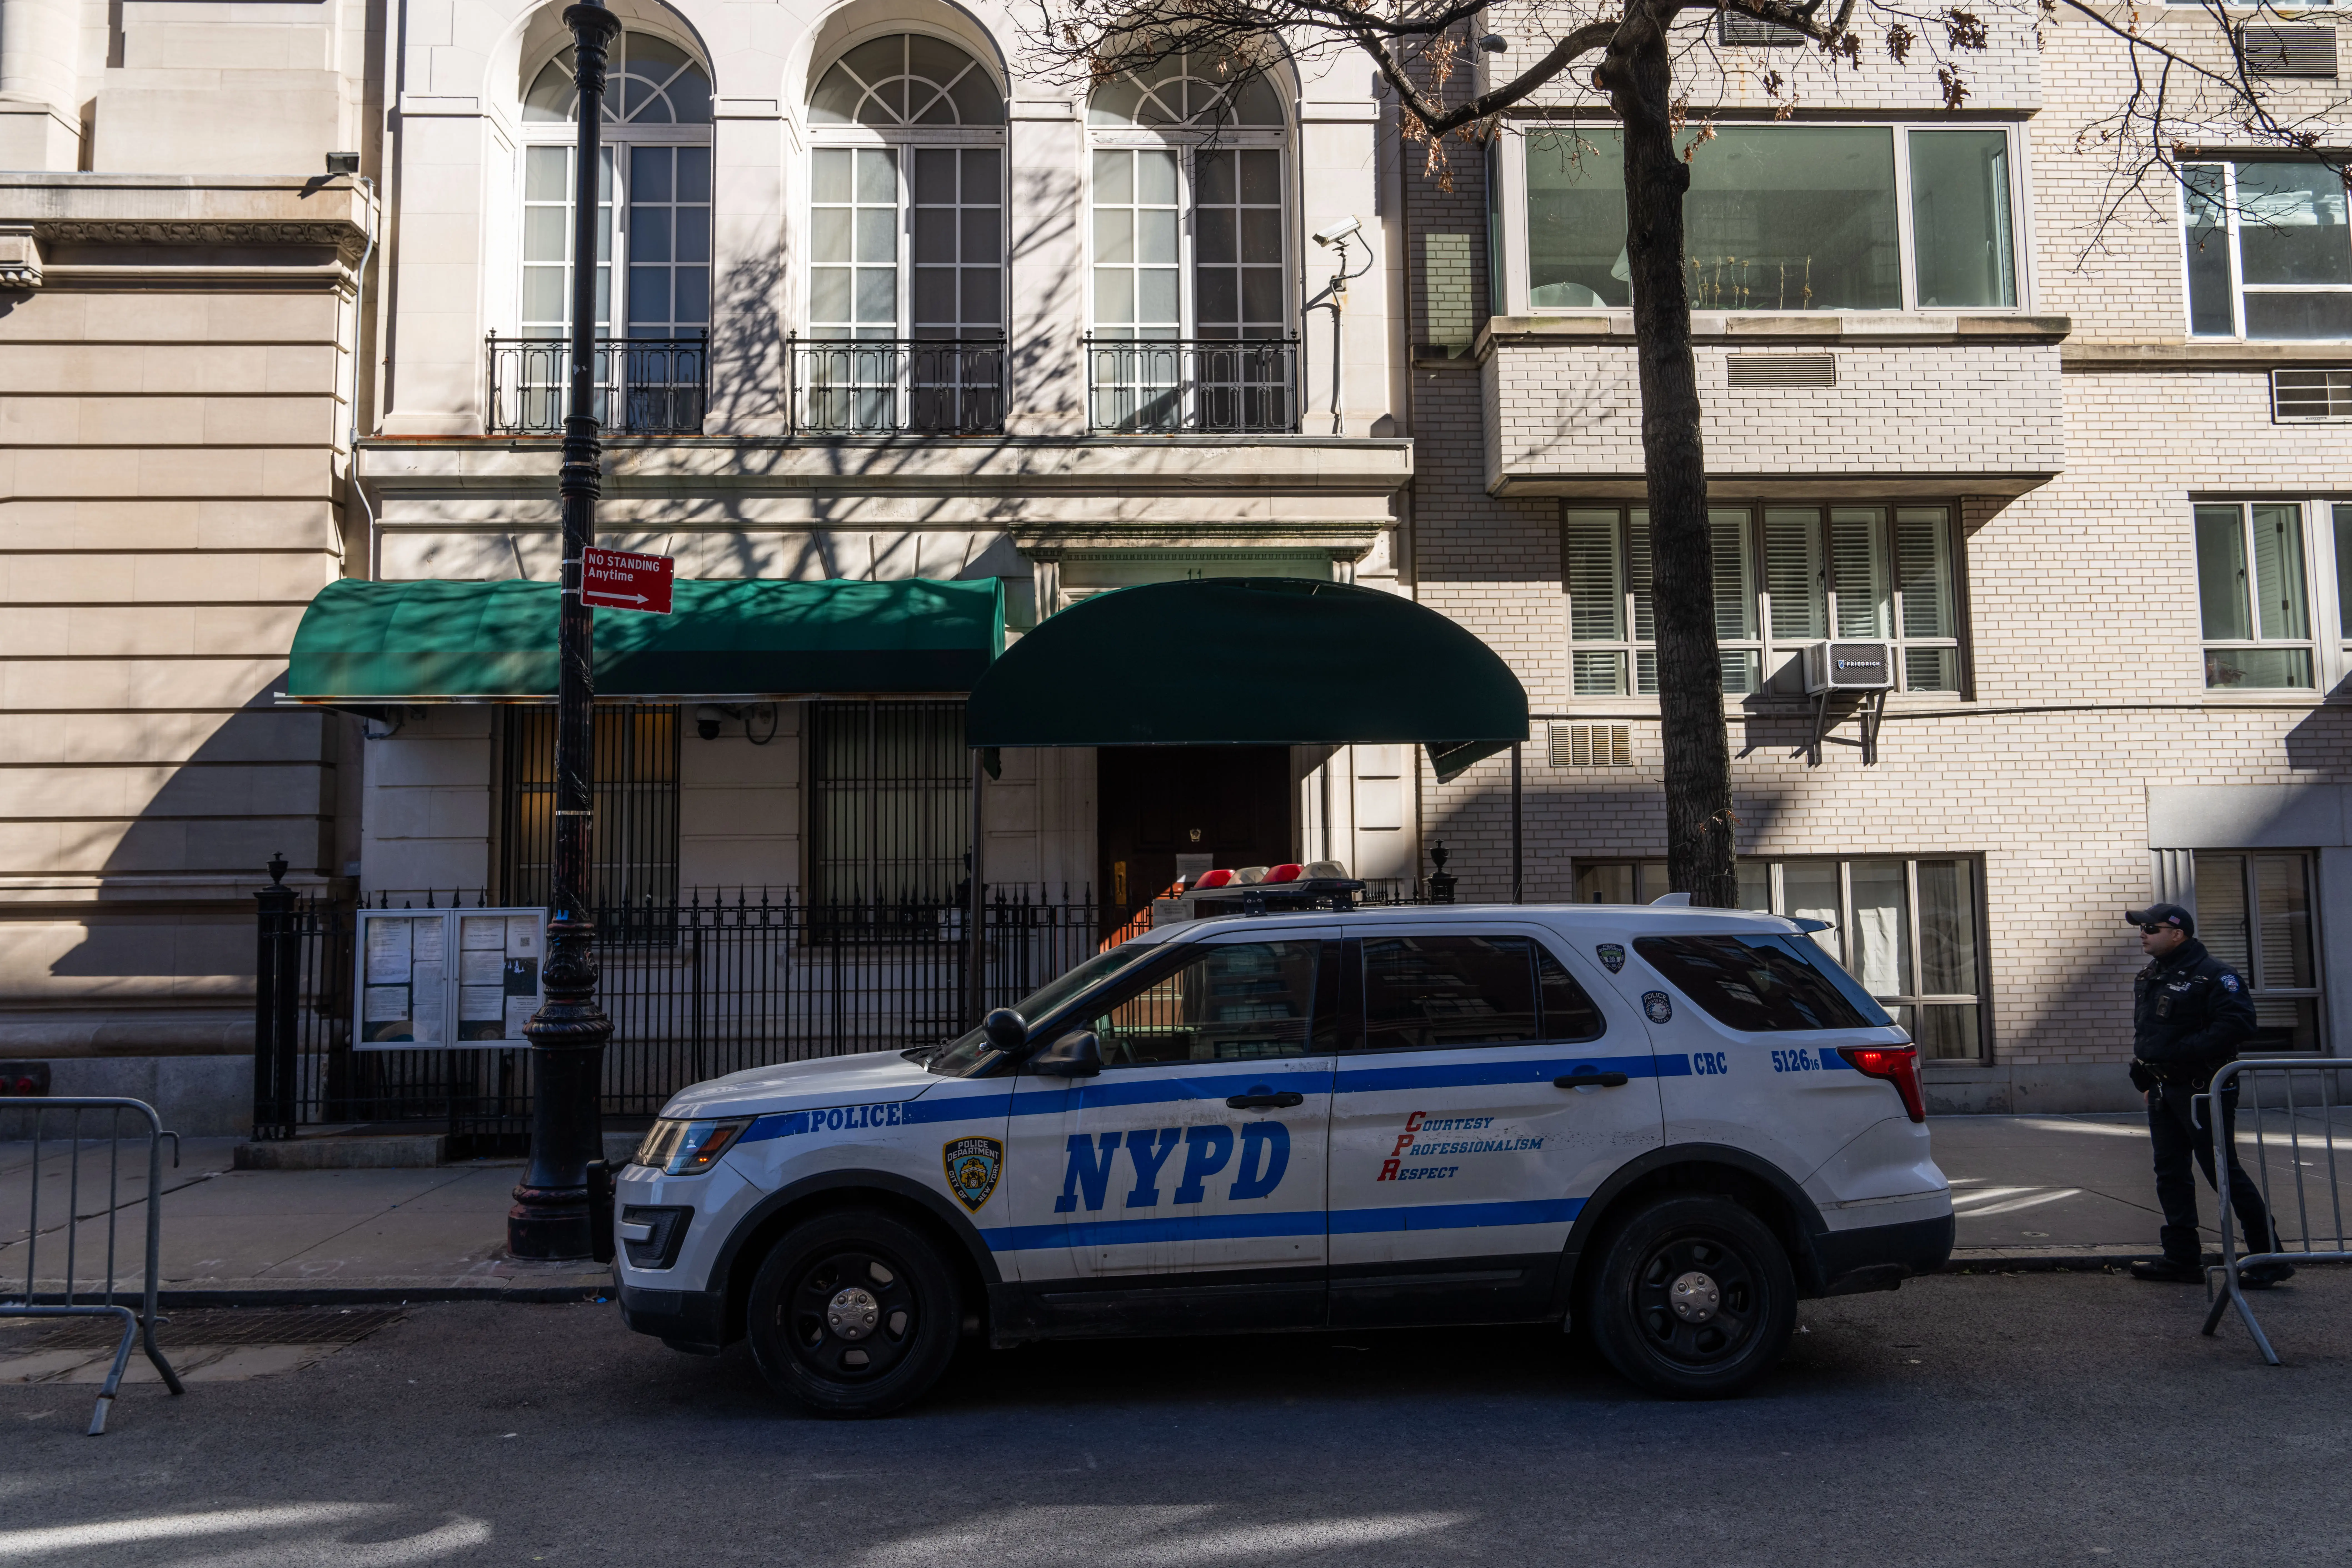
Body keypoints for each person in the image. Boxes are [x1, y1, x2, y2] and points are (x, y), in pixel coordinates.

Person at [2123, 903, 2293, 1286]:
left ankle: (2269, 1258)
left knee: (2221, 1171)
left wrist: (2177, 1056)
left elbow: (2238, 1025)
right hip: (2165, 1089)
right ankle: (2182, 1259)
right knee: (2170, 1174)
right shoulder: (2151, 974)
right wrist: (2148, 1075)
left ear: (2178, 933)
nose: (2143, 933)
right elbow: (2151, 1033)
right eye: (2141, 928)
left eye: (2151, 927)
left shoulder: (2215, 975)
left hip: (2203, 1089)